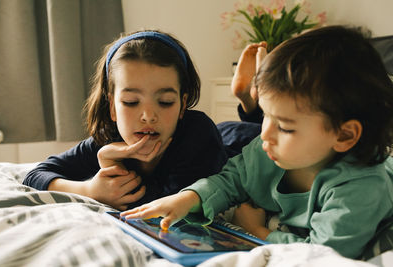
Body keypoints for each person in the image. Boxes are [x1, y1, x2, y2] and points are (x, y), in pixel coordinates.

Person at [121, 25, 393, 259]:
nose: (265, 134)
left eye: (285, 127)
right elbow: (230, 180)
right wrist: (188, 198)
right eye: (265, 116)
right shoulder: (267, 153)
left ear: (344, 135)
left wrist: (260, 233)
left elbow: (324, 253)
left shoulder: (361, 186)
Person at [23, 30, 228, 211]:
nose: (148, 116)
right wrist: (89, 189)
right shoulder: (108, 138)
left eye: (165, 102)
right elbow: (36, 175)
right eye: (131, 102)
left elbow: (166, 208)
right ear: (112, 107)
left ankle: (247, 103)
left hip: (233, 138)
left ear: (183, 105)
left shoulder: (198, 135)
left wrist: (110, 163)